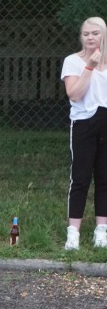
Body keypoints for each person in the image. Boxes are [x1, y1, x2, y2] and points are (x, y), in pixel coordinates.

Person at [61, 16, 107, 251]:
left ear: (103, 35)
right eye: (86, 33)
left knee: (104, 178)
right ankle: (74, 234)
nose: (90, 37)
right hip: (83, 124)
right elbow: (75, 94)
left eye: (95, 33)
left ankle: (101, 231)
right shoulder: (73, 61)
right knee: (80, 179)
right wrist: (89, 65)